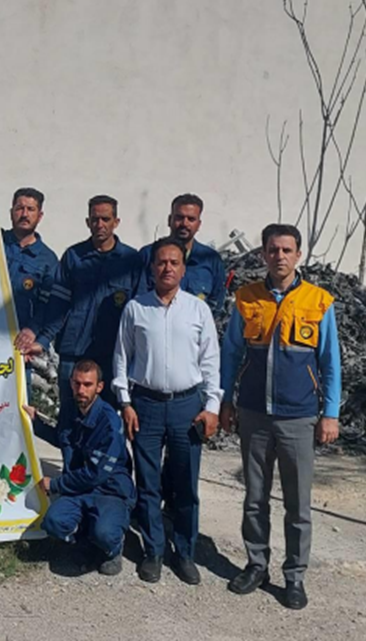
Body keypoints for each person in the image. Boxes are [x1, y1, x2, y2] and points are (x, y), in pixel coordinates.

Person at [220, 223, 341, 611]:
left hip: (298, 417)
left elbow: (330, 363)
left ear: (298, 255)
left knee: (297, 504)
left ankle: (295, 576)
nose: (280, 256)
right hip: (254, 413)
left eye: (287, 250)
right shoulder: (247, 298)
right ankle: (257, 565)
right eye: (273, 250)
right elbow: (231, 354)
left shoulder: (318, 301)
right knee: (255, 498)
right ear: (263, 254)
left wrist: (330, 414)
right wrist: (225, 400)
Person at [113, 238, 221, 586]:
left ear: (183, 269)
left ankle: (185, 553)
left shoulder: (198, 310)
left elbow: (211, 362)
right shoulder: (136, 309)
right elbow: (122, 358)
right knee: (148, 484)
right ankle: (154, 551)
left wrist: (212, 407)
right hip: (145, 405)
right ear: (152, 268)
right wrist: (125, 403)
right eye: (161, 262)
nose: (167, 268)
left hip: (187, 407)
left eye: (174, 262)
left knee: (186, 485)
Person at [17, 195, 141, 407]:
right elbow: (58, 305)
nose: (99, 225)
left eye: (105, 219)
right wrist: (43, 341)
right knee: (70, 414)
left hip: (112, 355)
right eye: (94, 219)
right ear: (87, 222)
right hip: (73, 353)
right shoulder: (73, 256)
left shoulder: (131, 260)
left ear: (116, 222)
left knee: (108, 415)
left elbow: (138, 311)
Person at [28, 360, 134, 576]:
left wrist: (55, 484)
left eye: (87, 384)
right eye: (77, 383)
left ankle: (112, 548)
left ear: (99, 387)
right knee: (53, 523)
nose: (81, 390)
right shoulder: (70, 408)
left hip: (109, 490)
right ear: (71, 383)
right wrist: (35, 422)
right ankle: (85, 540)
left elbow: (96, 474)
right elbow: (61, 438)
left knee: (105, 533)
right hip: (78, 489)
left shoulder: (109, 422)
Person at [136, 193, 226, 315]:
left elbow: (216, 304)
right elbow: (138, 300)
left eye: (191, 219)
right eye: (179, 218)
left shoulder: (211, 259)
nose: (184, 223)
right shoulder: (148, 254)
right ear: (169, 220)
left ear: (199, 224)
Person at [1, 187, 57, 333]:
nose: (24, 214)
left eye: (31, 209)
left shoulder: (48, 259)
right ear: (11, 213)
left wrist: (32, 330)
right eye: (19, 208)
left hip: (20, 338)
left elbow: (48, 305)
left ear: (40, 216)